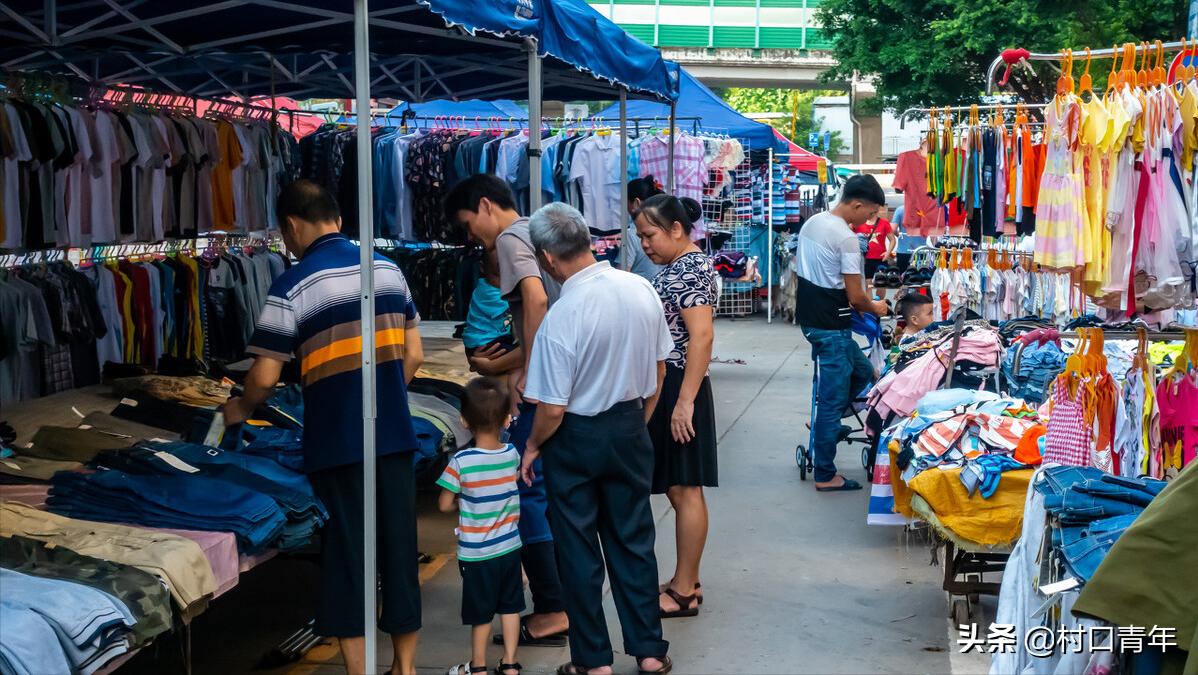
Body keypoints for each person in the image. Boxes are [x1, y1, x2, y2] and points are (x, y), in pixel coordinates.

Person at [223, 180, 424, 675]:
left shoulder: (292, 285)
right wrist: (380, 395)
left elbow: (264, 378)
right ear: (336, 218)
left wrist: (239, 408)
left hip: (336, 442)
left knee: (348, 557)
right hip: (395, 436)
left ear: (291, 226)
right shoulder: (388, 270)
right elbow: (414, 355)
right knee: (399, 551)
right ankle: (405, 667)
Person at [520, 203, 672, 675]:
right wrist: (638, 420)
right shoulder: (640, 288)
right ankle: (650, 652)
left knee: (578, 549)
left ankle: (594, 661)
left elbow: (551, 408)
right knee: (634, 541)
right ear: (587, 240)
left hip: (576, 437)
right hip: (629, 425)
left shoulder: (562, 316)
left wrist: (532, 447)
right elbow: (660, 370)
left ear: (548, 258)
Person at [444, 174, 569, 647]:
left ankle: (553, 608)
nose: (472, 236)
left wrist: (529, 370)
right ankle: (561, 602)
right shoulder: (539, 231)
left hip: (545, 386)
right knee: (547, 492)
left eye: (468, 224)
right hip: (564, 381)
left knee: (527, 490)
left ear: (485, 205)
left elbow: (537, 300)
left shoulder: (512, 238)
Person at [633, 194, 718, 619]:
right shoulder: (682, 266)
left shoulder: (689, 269)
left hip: (681, 386)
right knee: (678, 486)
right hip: (675, 385)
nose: (644, 244)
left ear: (677, 229)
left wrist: (684, 402)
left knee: (684, 488)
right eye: (640, 237)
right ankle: (687, 580)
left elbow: (701, 336)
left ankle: (684, 590)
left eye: (649, 235)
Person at [794, 174, 889, 493]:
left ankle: (827, 422)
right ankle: (825, 474)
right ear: (858, 204)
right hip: (831, 326)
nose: (870, 220)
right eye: (871, 213)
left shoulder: (813, 223)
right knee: (832, 399)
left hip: (811, 320)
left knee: (863, 371)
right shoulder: (846, 238)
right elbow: (857, 297)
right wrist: (877, 307)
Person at [437, 377, 525, 675]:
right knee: (510, 607)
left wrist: (464, 502)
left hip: (477, 554)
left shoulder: (461, 461)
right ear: (506, 419)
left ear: (463, 420)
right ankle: (510, 664)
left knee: (481, 614)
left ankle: (477, 667)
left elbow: (444, 504)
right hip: (510, 548)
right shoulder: (512, 455)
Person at [463, 250, 522, 378]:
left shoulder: (493, 288)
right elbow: (515, 304)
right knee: (519, 361)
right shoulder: (488, 292)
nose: (505, 282)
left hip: (488, 340)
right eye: (498, 276)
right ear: (483, 269)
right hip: (485, 342)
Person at [625, 176, 666, 281]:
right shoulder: (665, 229)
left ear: (636, 203)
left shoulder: (631, 234)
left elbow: (622, 275)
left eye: (626, 202)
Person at [854, 205, 896, 298]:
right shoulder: (859, 223)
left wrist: (888, 252)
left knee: (882, 283)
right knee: (868, 284)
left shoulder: (884, 223)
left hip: (881, 258)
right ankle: (871, 304)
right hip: (866, 259)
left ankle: (879, 302)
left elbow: (892, 240)